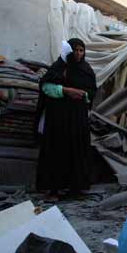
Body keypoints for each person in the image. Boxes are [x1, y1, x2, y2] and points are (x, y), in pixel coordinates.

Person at [35, 38, 97, 199]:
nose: (78, 53)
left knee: (76, 151)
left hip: (77, 119)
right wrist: (65, 90)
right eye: (75, 50)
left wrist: (85, 95)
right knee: (56, 150)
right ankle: (53, 189)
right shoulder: (59, 67)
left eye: (81, 50)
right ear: (69, 51)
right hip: (58, 119)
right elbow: (46, 87)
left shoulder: (86, 69)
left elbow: (92, 91)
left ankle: (75, 189)